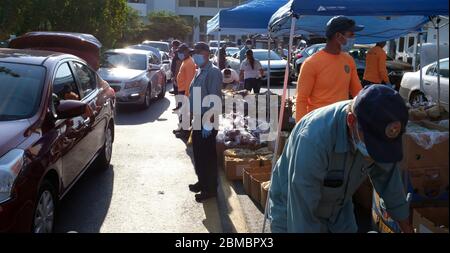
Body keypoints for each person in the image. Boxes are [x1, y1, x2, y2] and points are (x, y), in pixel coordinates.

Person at [269, 85, 414, 233]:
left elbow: (391, 183)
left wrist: (407, 229)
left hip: (338, 208)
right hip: (292, 208)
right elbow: (302, 212)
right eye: (372, 143)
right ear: (351, 121)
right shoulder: (314, 139)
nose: (373, 153)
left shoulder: (380, 130)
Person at [296, 16, 364, 123]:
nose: (354, 38)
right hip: (318, 122)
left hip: (341, 121)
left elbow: (357, 92)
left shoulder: (348, 60)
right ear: (338, 36)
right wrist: (300, 128)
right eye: (351, 34)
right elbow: (301, 99)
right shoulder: (311, 63)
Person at [188, 42, 222, 202]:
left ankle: (210, 189)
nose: (195, 55)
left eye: (198, 52)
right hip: (198, 118)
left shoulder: (213, 72)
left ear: (207, 53)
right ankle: (202, 182)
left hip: (207, 119)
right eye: (194, 52)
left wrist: (209, 123)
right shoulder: (199, 70)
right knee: (199, 154)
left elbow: (214, 98)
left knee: (208, 156)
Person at [173, 44, 197, 136]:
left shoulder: (189, 63)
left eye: (181, 52)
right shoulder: (185, 61)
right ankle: (182, 128)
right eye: (179, 52)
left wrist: (187, 94)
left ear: (187, 52)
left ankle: (185, 131)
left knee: (185, 112)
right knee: (182, 112)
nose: (179, 54)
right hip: (182, 90)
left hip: (185, 92)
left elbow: (189, 81)